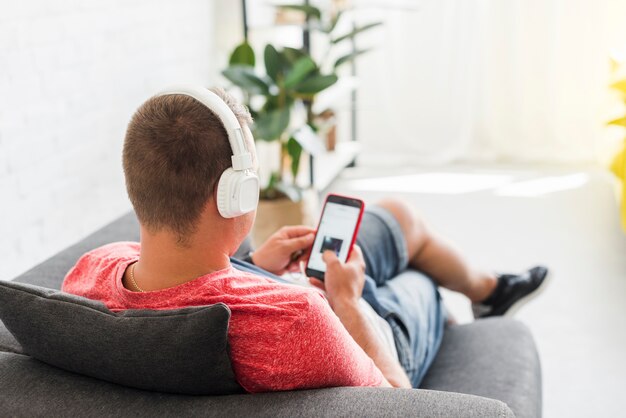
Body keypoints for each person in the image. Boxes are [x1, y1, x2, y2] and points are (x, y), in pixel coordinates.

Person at [62, 86, 548, 392]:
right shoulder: (298, 322)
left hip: (271, 279)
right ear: (236, 196)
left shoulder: (90, 272)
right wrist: (349, 304)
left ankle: (489, 290)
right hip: (355, 329)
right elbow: (402, 407)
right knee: (420, 279)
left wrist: (253, 264)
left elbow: (192, 286)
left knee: (395, 219)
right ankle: (483, 297)